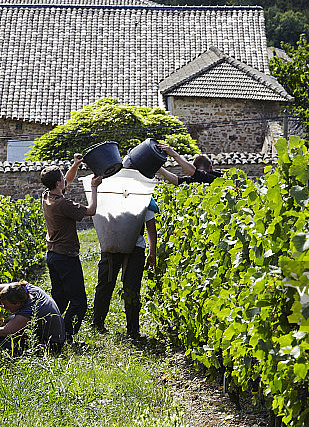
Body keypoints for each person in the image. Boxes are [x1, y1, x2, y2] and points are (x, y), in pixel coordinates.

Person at [41, 154, 103, 344]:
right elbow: (91, 210)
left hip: (52, 255)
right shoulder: (64, 204)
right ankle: (65, 336)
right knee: (79, 303)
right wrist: (94, 187)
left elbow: (67, 179)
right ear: (58, 183)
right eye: (62, 178)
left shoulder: (47, 196)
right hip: (66, 257)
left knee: (59, 300)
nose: (65, 180)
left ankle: (48, 334)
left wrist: (75, 165)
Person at [91, 197, 159, 341]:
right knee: (130, 287)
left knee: (107, 284)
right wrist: (152, 251)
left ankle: (99, 323)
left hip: (112, 245)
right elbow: (150, 226)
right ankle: (132, 330)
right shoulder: (143, 195)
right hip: (131, 247)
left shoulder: (108, 192)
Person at [0, 280, 65, 355]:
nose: (4, 307)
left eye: (6, 305)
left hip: (52, 345)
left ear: (17, 303)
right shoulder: (25, 289)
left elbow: (4, 331)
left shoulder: (30, 310)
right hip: (50, 333)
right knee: (9, 320)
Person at [155, 142, 223, 185]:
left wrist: (174, 154)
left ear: (210, 168)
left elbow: (194, 172)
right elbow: (176, 180)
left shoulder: (218, 177)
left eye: (202, 172)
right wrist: (158, 167)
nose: (200, 176)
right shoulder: (194, 179)